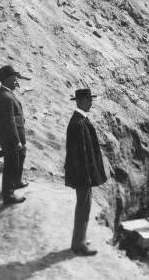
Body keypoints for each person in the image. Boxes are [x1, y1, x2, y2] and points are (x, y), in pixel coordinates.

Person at [65, 88, 107, 256]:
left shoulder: (80, 120)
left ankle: (79, 239)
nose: (91, 103)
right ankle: (79, 244)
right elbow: (80, 155)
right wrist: (86, 177)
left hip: (83, 174)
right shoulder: (78, 123)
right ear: (80, 102)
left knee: (85, 206)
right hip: (82, 175)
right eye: (88, 100)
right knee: (83, 207)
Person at [0, 64, 29, 204]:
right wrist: (16, 141)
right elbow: (9, 121)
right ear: (6, 79)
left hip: (10, 135)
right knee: (10, 165)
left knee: (22, 154)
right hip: (11, 137)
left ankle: (17, 181)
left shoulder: (1, 93)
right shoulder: (6, 97)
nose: (16, 81)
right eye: (14, 78)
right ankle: (8, 195)